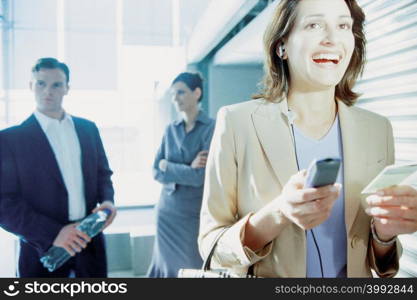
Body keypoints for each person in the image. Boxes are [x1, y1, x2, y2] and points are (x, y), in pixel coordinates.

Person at [199, 0, 417, 278]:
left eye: (343, 25)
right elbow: (211, 249)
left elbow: (383, 266)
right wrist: (278, 213)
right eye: (314, 25)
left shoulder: (378, 129)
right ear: (282, 46)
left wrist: (385, 233)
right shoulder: (236, 123)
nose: (332, 39)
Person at [0, 57, 117, 277]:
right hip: (42, 249)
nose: (48, 91)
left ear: (67, 88)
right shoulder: (10, 140)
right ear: (30, 86)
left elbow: (103, 174)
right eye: (41, 84)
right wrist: (54, 233)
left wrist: (108, 200)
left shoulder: (88, 129)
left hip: (89, 242)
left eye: (56, 85)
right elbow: (4, 204)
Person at [147, 72, 215, 277]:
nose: (175, 98)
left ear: (197, 93)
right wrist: (185, 168)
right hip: (166, 212)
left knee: (192, 266)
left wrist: (169, 166)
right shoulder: (170, 129)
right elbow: (155, 171)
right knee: (165, 267)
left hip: (192, 214)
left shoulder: (211, 128)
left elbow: (200, 177)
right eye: (173, 94)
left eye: (180, 92)